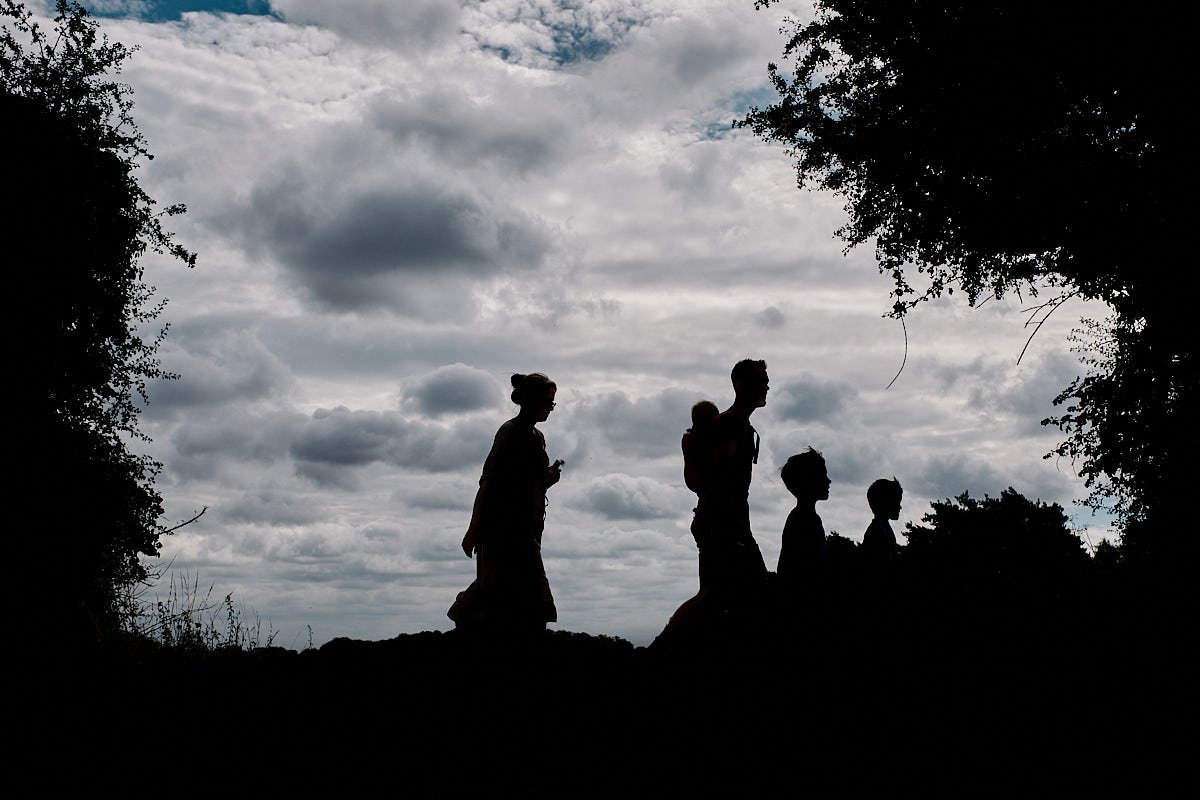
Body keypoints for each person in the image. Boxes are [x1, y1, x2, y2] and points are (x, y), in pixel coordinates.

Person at [448, 373, 563, 634]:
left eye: (552, 404)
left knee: (499, 589)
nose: (550, 409)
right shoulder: (510, 433)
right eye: (548, 403)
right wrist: (473, 530)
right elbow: (487, 483)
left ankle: (466, 613)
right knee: (533, 598)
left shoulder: (536, 436)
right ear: (531, 401)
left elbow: (529, 482)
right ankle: (464, 610)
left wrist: (549, 477)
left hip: (525, 530)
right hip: (504, 530)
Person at [691, 359, 771, 606]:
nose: (766, 388)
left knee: (722, 598)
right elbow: (718, 477)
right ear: (739, 385)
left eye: (766, 383)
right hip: (723, 524)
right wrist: (736, 530)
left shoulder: (740, 423)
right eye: (760, 382)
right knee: (717, 597)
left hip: (727, 522)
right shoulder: (732, 423)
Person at [775, 448, 830, 599]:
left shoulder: (801, 517)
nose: (828, 480)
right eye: (823, 475)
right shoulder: (806, 520)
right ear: (810, 480)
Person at [861, 478, 902, 566]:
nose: (900, 507)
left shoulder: (880, 528)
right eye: (897, 502)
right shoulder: (879, 531)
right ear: (886, 503)